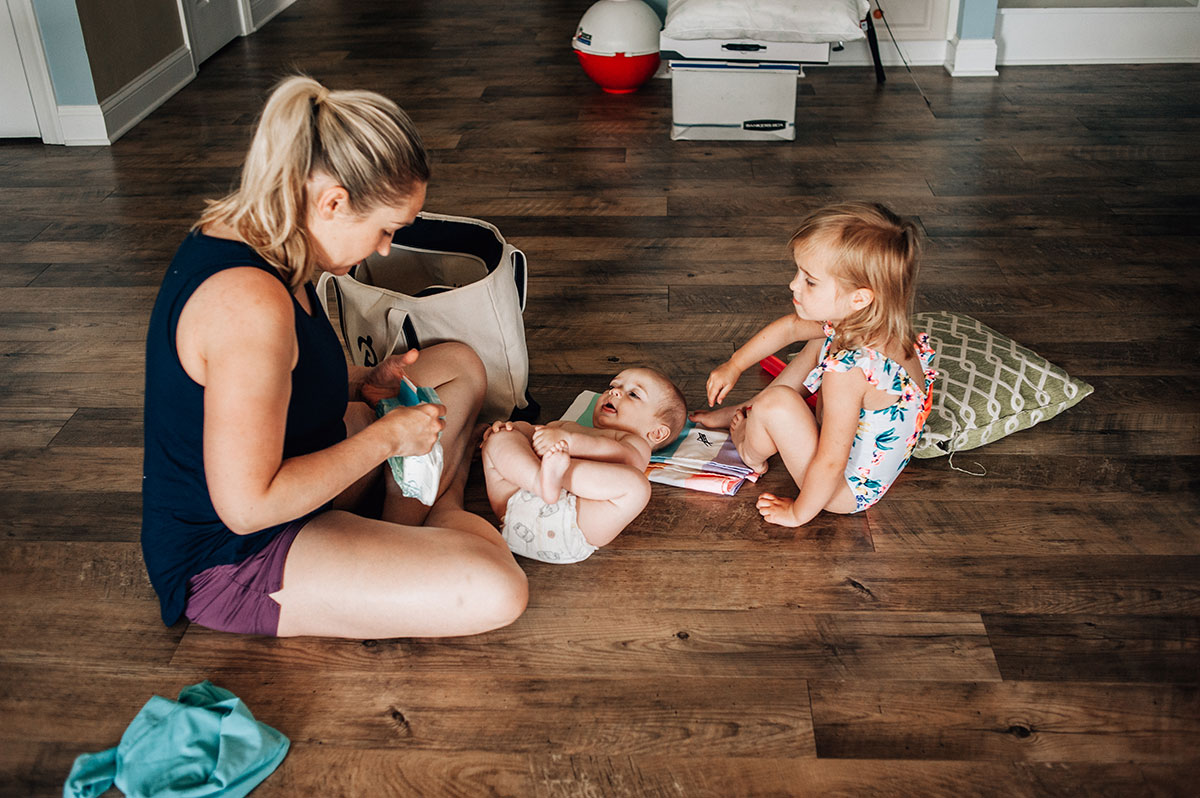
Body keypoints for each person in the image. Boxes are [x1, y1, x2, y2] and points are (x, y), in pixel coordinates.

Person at [141, 76, 528, 639]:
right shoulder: (246, 303)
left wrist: (364, 380)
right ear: (333, 202)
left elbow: (277, 383)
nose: (385, 249)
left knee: (461, 366)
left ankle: (413, 516)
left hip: (305, 462)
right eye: (384, 230)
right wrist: (389, 438)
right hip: (237, 551)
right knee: (499, 587)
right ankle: (439, 512)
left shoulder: (272, 241)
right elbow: (247, 507)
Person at [690, 202, 937, 528]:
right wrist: (734, 365)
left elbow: (832, 461)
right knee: (819, 342)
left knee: (775, 403)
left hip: (840, 491)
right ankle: (750, 410)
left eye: (810, 280)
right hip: (847, 455)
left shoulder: (849, 373)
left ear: (859, 298)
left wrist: (797, 513)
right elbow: (791, 327)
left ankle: (749, 449)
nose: (794, 285)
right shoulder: (874, 324)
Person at [480, 368, 687, 563]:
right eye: (613, 386)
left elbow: (624, 458)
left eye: (633, 394)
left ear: (656, 433)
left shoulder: (635, 443)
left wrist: (570, 442)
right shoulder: (565, 426)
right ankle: (539, 480)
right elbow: (535, 435)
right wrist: (515, 429)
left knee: (637, 485)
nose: (614, 392)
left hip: (577, 524)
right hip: (518, 503)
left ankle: (550, 477)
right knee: (500, 439)